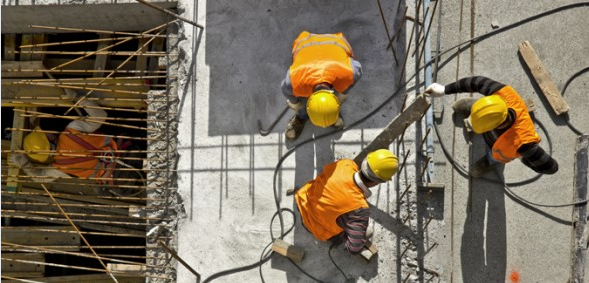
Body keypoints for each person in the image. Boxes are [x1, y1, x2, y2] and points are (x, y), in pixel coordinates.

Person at [425, 76, 558, 177]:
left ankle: (490, 161)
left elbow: (551, 168)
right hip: (490, 109)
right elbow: (476, 82)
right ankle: (475, 107)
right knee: (485, 109)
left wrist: (523, 157)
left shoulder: (523, 143)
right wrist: (445, 89)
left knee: (494, 156)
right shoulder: (503, 93)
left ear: (494, 126)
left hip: (498, 149)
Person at [11, 99, 142, 195]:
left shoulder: (60, 168)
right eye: (46, 134)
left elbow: (39, 177)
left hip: (119, 179)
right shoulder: (72, 131)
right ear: (49, 139)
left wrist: (25, 164)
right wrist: (80, 99)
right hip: (131, 153)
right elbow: (101, 115)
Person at [295, 149, 398, 254]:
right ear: (378, 181)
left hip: (303, 199)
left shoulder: (346, 164)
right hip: (314, 226)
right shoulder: (359, 210)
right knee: (368, 231)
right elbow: (354, 249)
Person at [281, 31, 363, 140]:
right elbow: (285, 89)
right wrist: (296, 105)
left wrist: (342, 94)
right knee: (301, 107)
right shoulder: (294, 82)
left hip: (336, 41)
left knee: (344, 83)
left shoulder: (350, 73)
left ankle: (329, 111)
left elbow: (357, 69)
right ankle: (302, 116)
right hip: (306, 42)